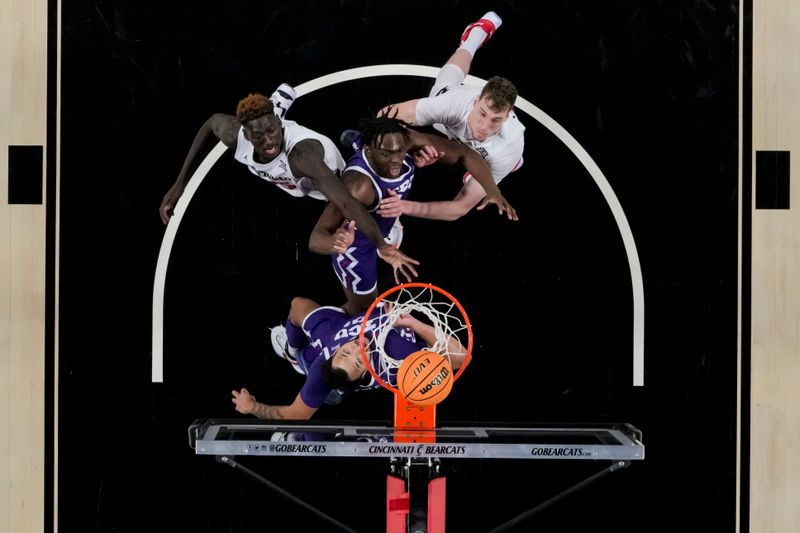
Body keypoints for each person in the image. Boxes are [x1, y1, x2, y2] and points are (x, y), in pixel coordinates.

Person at [158, 87, 419, 283]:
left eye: (273, 130)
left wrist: (380, 243)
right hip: (295, 183)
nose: (269, 141)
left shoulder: (302, 155)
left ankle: (357, 144)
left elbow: (346, 202)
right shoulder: (236, 135)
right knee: (285, 167)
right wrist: (180, 182)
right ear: (246, 134)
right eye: (258, 135)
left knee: (355, 199)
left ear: (279, 124)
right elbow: (210, 122)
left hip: (330, 175)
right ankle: (278, 102)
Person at [308, 111, 501, 315]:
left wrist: (493, 190)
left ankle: (356, 139)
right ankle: (321, 325)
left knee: (387, 198)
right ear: (370, 149)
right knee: (363, 310)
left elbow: (463, 153)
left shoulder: (405, 139)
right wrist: (336, 243)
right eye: (386, 154)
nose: (396, 161)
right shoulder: (357, 185)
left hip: (383, 218)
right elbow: (315, 238)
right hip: (357, 243)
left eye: (400, 151)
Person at [377, 11, 526, 222]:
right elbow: (386, 114)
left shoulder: (509, 146)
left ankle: (487, 171)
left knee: (505, 164)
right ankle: (474, 35)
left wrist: (403, 207)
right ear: (476, 102)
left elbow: (458, 209)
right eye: (482, 113)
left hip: (489, 156)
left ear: (508, 115)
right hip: (446, 127)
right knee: (444, 84)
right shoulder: (453, 103)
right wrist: (408, 148)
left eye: (496, 120)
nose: (484, 126)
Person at [230, 295, 467, 420]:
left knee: (297, 306)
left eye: (345, 352)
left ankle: (293, 354)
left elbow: (295, 414)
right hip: (351, 331)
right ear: (366, 371)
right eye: (358, 360)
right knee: (326, 386)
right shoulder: (396, 354)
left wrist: (251, 407)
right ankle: (298, 360)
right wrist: (414, 323)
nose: (356, 349)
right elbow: (460, 358)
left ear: (335, 352)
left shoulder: (324, 361)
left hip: (330, 339)